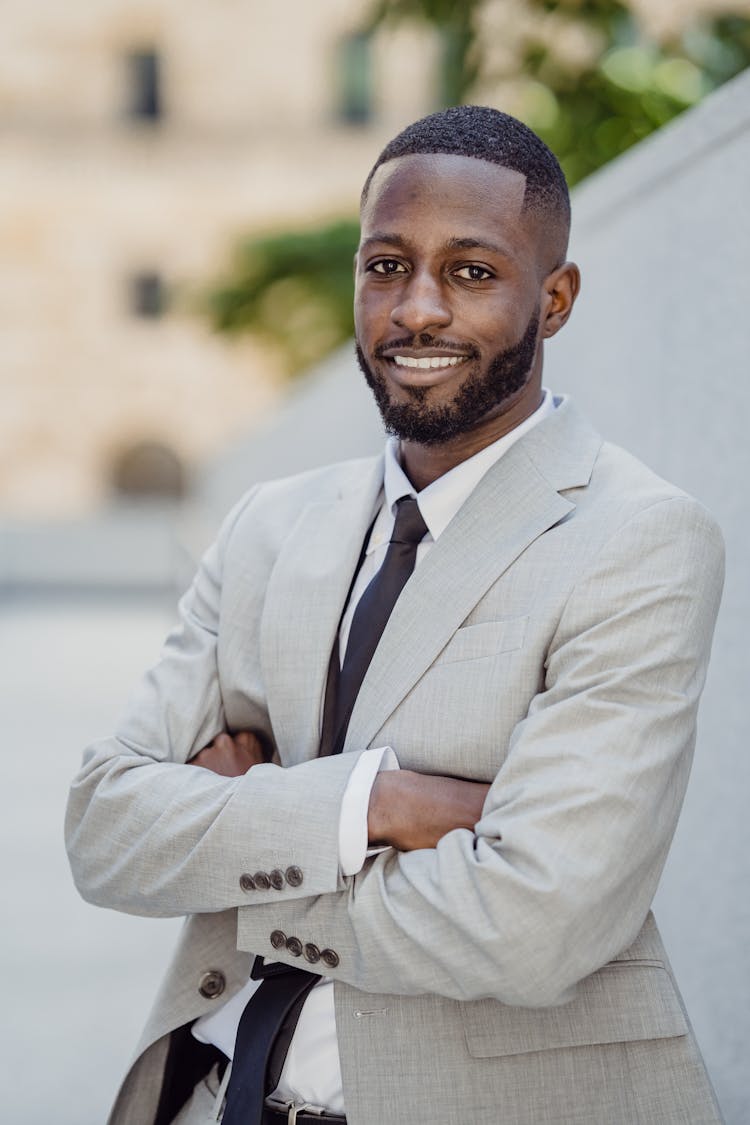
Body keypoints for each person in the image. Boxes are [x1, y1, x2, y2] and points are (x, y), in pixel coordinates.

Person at [66, 106, 725, 1125]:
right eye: (386, 266)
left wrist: (237, 839)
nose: (417, 310)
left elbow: (536, 920)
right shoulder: (266, 526)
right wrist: (372, 808)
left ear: (553, 299)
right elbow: (107, 830)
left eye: (470, 271)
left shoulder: (637, 539)